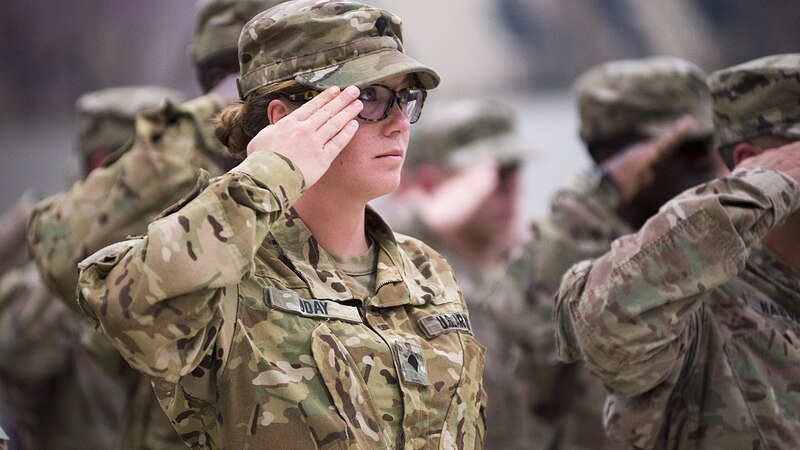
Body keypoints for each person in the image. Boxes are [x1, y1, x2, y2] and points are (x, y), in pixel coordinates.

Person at [77, 1, 486, 449]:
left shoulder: (427, 270)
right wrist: (269, 171)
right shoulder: (229, 278)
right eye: (369, 97)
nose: (399, 124)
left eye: (406, 97)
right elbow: (124, 306)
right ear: (285, 119)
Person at [26, 2, 281, 449]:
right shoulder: (179, 168)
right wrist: (208, 123)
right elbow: (62, 255)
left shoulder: (335, 190)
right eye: (228, 80)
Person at [553, 53, 800, 449]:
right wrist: (757, 189)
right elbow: (598, 322)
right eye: (689, 148)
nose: (703, 161)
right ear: (756, 168)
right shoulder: (700, 314)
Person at [0, 86, 182, 450]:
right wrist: (83, 260)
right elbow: (17, 356)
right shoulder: (44, 249)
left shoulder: (199, 245)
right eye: (112, 169)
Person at [380, 99, 536, 449]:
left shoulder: (523, 270)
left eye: (513, 171)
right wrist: (424, 219)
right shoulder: (405, 271)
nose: (509, 188)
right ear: (430, 182)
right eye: (489, 176)